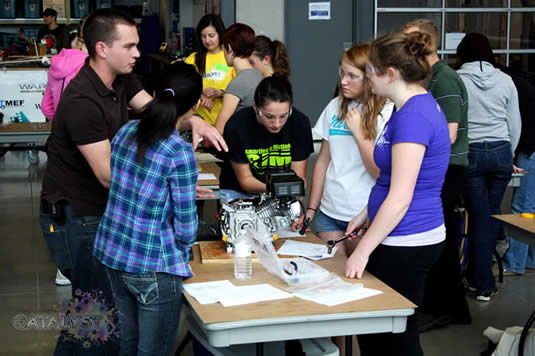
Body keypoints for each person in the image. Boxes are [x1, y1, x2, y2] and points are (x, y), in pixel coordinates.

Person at [39, 8, 223, 352]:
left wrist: (192, 119)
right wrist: (173, 188)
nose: (138, 53)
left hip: (107, 215)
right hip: (77, 216)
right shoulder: (82, 100)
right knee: (92, 323)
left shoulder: (122, 79)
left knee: (107, 324)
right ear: (102, 49)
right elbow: (111, 176)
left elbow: (159, 114)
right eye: (130, 46)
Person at [344, 31, 451, 356]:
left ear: (390, 74)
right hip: (399, 235)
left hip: (406, 240)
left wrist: (363, 250)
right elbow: (393, 178)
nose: (367, 77)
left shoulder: (414, 117)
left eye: (371, 70)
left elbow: (402, 196)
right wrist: (366, 212)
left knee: (394, 338)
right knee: (381, 333)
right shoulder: (408, 109)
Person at [94, 62, 201, 355]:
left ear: (153, 93)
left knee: (128, 344)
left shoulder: (127, 131)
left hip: (113, 254)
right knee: (153, 351)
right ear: (193, 109)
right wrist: (186, 247)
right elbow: (186, 225)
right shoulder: (179, 151)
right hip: (153, 265)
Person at [296, 41, 392, 354]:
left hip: (360, 215)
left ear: (371, 77)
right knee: (329, 293)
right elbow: (322, 162)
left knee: (355, 293)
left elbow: (380, 171)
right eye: (342, 74)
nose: (343, 81)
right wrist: (311, 208)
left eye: (352, 76)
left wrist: (359, 132)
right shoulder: (335, 107)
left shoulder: (386, 114)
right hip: (328, 212)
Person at [402, 19, 472, 331]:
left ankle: (448, 308)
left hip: (447, 170)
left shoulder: (444, 79)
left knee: (441, 245)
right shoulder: (431, 78)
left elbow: (450, 133)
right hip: (437, 170)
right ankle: (440, 305)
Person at [456, 33, 521, 301]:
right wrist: (511, 155)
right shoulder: (506, 81)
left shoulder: (458, 79)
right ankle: (482, 279)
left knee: (480, 217)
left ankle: (482, 281)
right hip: (501, 151)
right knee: (491, 217)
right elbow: (514, 122)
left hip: (471, 153)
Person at [219, 73, 314, 202]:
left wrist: (293, 196)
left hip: (283, 191)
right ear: (255, 107)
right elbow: (245, 180)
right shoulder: (236, 126)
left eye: (284, 116)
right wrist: (279, 189)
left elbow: (299, 178)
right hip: (239, 192)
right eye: (269, 117)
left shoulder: (300, 123)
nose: (277, 124)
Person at [501, 65, 535, 275]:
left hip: (529, 151)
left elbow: (516, 125)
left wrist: (513, 155)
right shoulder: (524, 84)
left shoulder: (513, 87)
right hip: (532, 149)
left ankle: (514, 263)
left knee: (522, 208)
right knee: (530, 207)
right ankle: (530, 260)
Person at [185, 14, 236, 126]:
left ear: (220, 34)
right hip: (199, 122)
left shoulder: (230, 58)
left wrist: (220, 92)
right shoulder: (193, 59)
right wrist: (199, 95)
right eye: (203, 36)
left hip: (225, 123)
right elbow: (183, 85)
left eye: (211, 35)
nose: (207, 40)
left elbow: (239, 90)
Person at [214, 23, 262, 134]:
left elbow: (219, 130)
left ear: (229, 48)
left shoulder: (237, 84)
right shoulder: (259, 76)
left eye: (223, 48)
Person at [41, 22, 88, 122]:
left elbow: (45, 106)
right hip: (84, 126)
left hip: (61, 129)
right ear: (80, 41)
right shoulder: (87, 62)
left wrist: (60, 124)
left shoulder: (54, 64)